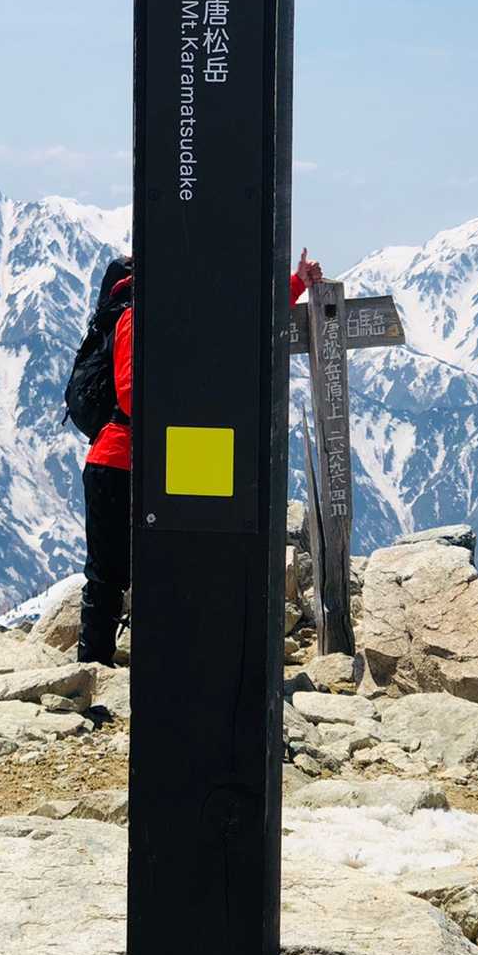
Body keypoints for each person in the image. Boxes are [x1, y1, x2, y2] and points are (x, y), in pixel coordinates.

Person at [77, 248, 324, 665]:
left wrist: (296, 283)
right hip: (120, 461)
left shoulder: (169, 317)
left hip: (139, 461)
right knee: (110, 573)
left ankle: (127, 663)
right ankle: (92, 668)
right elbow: (132, 396)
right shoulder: (135, 318)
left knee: (139, 567)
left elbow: (241, 323)